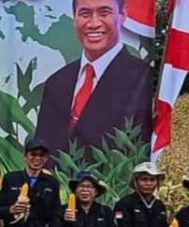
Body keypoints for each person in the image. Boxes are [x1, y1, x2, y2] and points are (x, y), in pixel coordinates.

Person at [35, 0, 152, 155]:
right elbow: (42, 148)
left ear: (122, 15)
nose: (94, 23)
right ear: (75, 19)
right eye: (85, 14)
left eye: (104, 13)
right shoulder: (57, 82)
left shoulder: (143, 79)